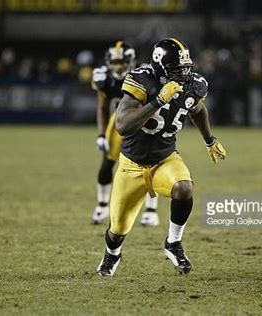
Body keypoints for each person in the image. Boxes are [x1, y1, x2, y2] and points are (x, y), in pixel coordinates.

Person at [96, 38, 227, 276]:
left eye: (186, 67)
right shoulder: (142, 80)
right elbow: (123, 126)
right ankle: (112, 255)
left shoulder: (193, 84)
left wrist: (209, 140)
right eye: (177, 69)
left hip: (165, 159)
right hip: (131, 165)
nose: (184, 73)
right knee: (117, 230)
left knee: (184, 188)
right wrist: (158, 100)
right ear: (160, 67)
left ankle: (173, 243)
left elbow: (196, 108)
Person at [91, 41, 159, 226]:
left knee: (149, 164)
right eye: (114, 62)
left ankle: (151, 210)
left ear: (131, 61)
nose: (118, 66)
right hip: (116, 124)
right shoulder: (102, 77)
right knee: (107, 163)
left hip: (141, 123)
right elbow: (102, 107)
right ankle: (102, 205)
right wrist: (101, 134)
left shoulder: (143, 74)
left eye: (122, 62)